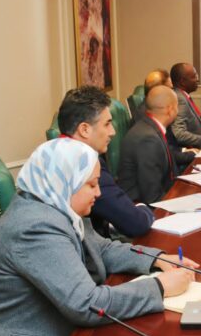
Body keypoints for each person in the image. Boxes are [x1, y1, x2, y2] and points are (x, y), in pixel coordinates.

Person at [0, 138, 198, 336]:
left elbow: (102, 248)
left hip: (53, 327)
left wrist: (157, 259)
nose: (99, 193)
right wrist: (159, 288)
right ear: (66, 181)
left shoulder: (57, 202)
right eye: (91, 184)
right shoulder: (36, 226)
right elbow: (86, 305)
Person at [58, 86, 154, 238]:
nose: (113, 132)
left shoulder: (57, 153)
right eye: (107, 124)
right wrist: (143, 207)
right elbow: (136, 223)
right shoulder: (85, 164)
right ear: (84, 129)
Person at [118, 85, 184, 204]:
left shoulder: (150, 127)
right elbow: (152, 197)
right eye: (177, 106)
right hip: (142, 208)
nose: (178, 111)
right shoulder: (148, 139)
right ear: (170, 109)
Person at [171, 62, 201, 148]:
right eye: (194, 76)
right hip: (196, 149)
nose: (197, 79)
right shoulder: (179, 99)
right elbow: (178, 133)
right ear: (182, 82)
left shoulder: (183, 95)